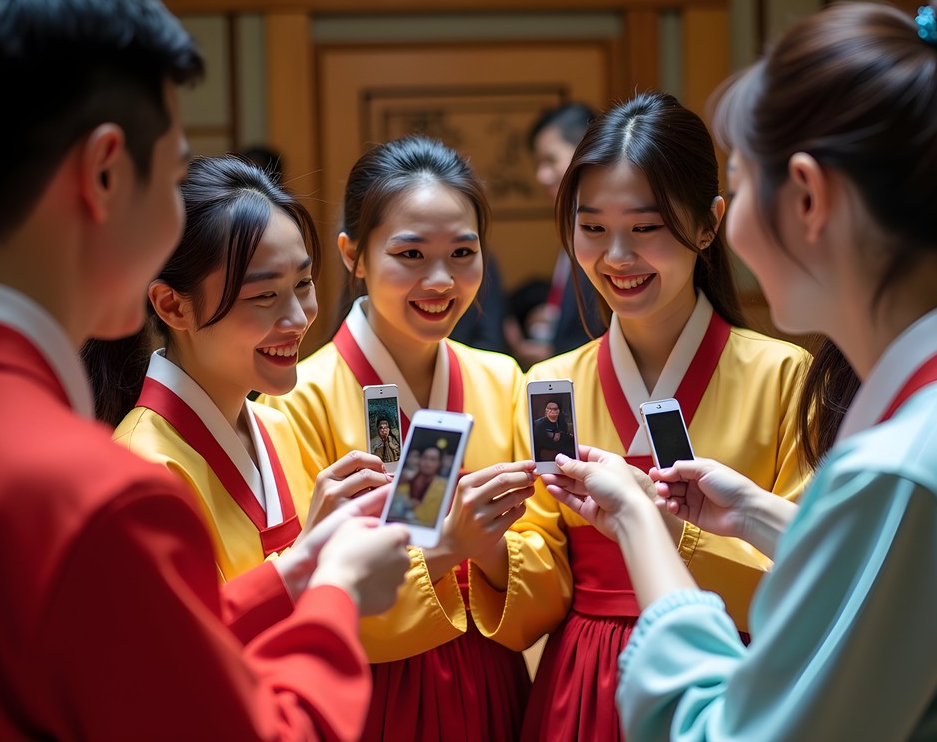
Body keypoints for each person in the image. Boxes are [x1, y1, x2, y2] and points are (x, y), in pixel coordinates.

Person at [547, 0, 937, 740]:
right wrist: (758, 516)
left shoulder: (904, 473)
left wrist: (637, 521)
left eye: (736, 186)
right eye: (592, 226)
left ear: (806, 197)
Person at [0, 0, 411, 740]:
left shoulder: (262, 422)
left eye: (303, 285)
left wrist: (297, 570)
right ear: (106, 172)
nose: (297, 317)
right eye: (174, 174)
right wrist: (336, 593)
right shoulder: (105, 486)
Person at [467, 91, 811, 742]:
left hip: (730, 670)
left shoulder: (785, 376)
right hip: (582, 682)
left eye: (646, 228)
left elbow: (816, 570)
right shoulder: (550, 386)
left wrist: (665, 531)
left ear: (708, 224)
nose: (617, 257)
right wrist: (487, 549)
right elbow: (543, 575)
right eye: (593, 228)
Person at [262, 134, 537, 741]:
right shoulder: (296, 400)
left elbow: (549, 561)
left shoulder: (503, 381)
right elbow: (306, 586)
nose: (440, 280)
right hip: (362, 691)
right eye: (410, 254)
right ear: (353, 256)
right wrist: (454, 547)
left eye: (462, 252)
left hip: (490, 681)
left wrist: (491, 552)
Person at [82, 155, 400, 635]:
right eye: (263, 296)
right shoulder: (141, 466)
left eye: (303, 283)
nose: (298, 318)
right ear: (173, 306)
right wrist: (310, 556)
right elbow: (177, 650)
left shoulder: (277, 424)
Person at [504, 102, 607, 367]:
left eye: (550, 160)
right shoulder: (573, 227)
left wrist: (554, 355)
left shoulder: (602, 233)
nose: (542, 176)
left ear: (585, 150)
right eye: (538, 164)